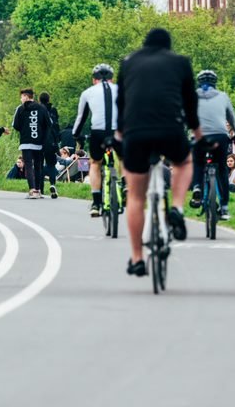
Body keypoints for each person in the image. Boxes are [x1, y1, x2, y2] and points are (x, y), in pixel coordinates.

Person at [116, 28, 201, 277]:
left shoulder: (128, 63)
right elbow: (190, 102)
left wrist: (120, 135)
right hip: (170, 130)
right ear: (168, 46)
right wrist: (197, 132)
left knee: (135, 197)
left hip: (135, 132)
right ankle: (176, 207)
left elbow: (121, 103)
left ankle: (137, 257)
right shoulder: (180, 62)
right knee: (184, 162)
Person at [189, 69, 235, 221]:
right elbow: (231, 117)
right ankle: (224, 207)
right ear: (215, 83)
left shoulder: (192, 96)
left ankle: (197, 187)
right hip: (220, 136)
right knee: (223, 170)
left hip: (199, 136)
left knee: (198, 163)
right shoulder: (223, 96)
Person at [73, 63, 119, 217]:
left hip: (98, 133)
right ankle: (125, 185)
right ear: (112, 79)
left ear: (94, 80)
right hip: (118, 131)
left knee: (95, 164)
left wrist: (76, 134)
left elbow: (81, 118)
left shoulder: (87, 93)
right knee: (125, 158)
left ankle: (96, 202)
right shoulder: (122, 90)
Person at [12, 89, 52, 198]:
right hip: (39, 142)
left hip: (25, 142)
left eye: (21, 97)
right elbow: (48, 124)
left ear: (26, 96)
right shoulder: (42, 108)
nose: (21, 99)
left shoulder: (20, 109)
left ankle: (32, 190)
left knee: (28, 166)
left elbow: (15, 125)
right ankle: (38, 190)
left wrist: (25, 128)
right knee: (38, 166)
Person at [39, 92, 61, 198]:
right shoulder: (53, 111)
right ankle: (52, 184)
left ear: (39, 100)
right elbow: (56, 126)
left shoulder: (38, 110)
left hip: (40, 141)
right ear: (49, 99)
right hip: (51, 141)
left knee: (39, 164)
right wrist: (57, 141)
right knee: (51, 165)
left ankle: (41, 189)